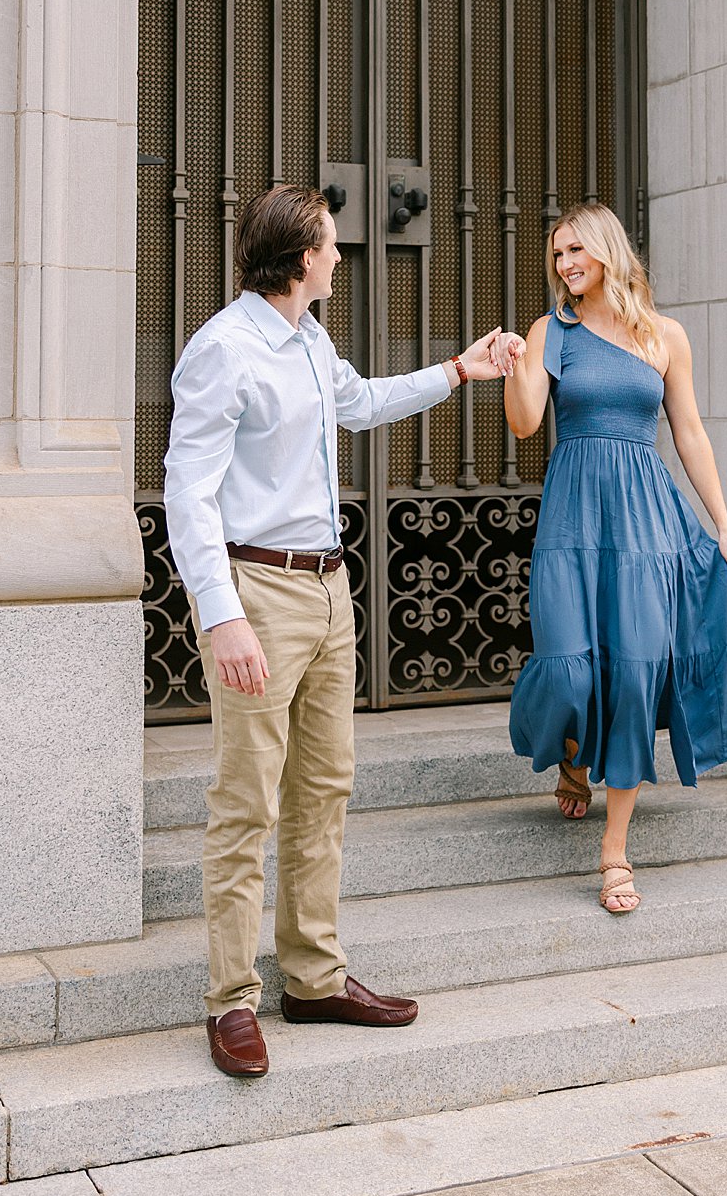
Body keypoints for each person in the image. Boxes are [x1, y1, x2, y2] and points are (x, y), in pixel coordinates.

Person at [164, 183, 514, 1078]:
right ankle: (230, 1000)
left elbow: (358, 403)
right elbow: (188, 494)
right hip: (259, 592)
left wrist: (459, 371)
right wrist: (222, 614)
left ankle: (314, 979)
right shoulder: (225, 351)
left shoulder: (310, 340)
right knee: (248, 801)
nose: (340, 255)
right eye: (329, 242)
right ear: (299, 258)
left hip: (328, 591)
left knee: (325, 789)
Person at [502, 203, 727, 914]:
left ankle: (614, 852)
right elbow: (526, 421)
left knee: (632, 674)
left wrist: (724, 525)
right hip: (573, 517)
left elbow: (688, 434)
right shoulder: (551, 331)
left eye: (577, 251)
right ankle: (571, 757)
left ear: (606, 252)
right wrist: (513, 367)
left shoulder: (665, 337)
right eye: (557, 254)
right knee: (568, 666)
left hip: (647, 519)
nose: (566, 264)